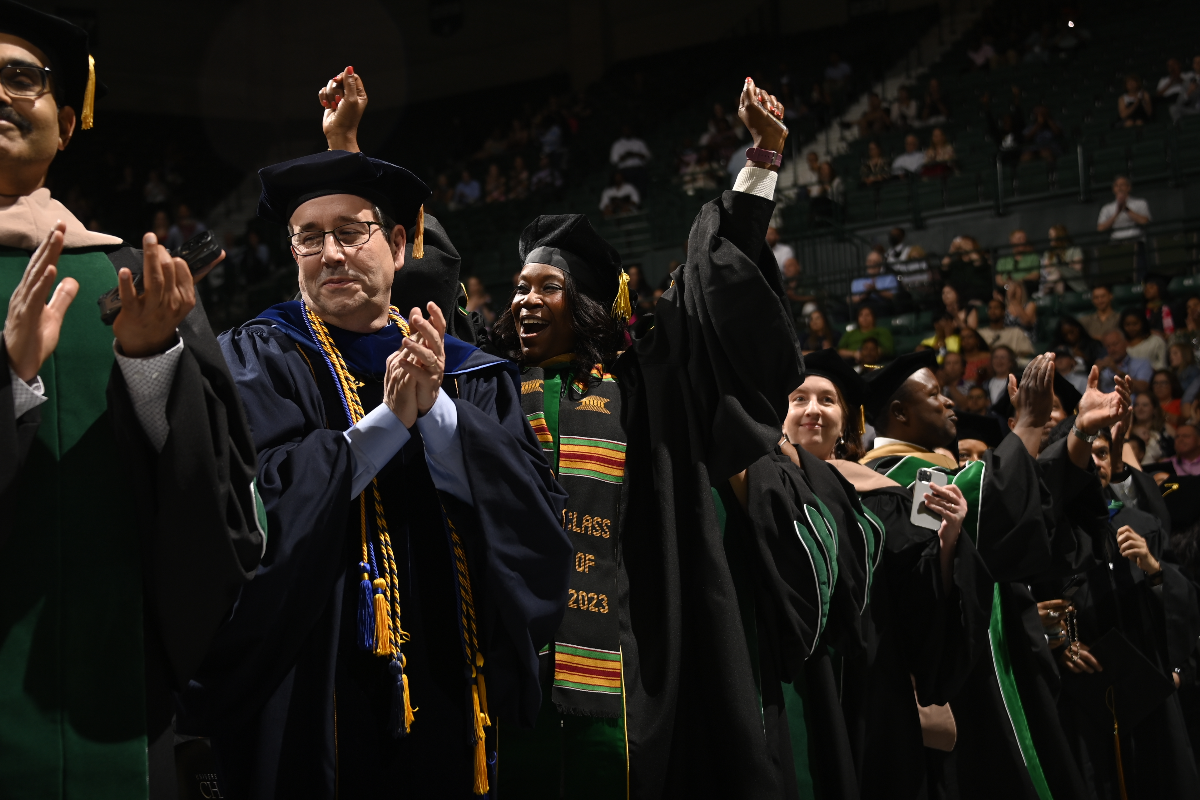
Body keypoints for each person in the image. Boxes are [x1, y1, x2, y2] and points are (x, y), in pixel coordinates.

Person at [176, 142, 573, 798]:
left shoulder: (471, 375)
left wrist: (441, 417)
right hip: (311, 687)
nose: (330, 254)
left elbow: (535, 520)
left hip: (450, 680)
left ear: (395, 243)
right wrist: (384, 426)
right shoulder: (254, 361)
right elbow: (241, 517)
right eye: (309, 238)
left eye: (349, 233)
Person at [501, 77, 826, 797]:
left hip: (621, 668)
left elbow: (713, 294)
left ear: (583, 303)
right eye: (518, 287)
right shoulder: (485, 384)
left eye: (544, 287)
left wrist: (761, 162)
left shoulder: (641, 386)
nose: (523, 299)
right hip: (500, 676)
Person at [0, 4, 264, 797]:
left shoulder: (131, 278)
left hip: (117, 687)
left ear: (68, 117)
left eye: (22, 78)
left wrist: (152, 363)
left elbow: (216, 495)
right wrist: (11, 383)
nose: (0, 96)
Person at [858, 351, 1127, 800]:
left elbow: (1027, 505)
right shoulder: (887, 483)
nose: (950, 404)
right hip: (961, 687)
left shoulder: (932, 471)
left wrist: (1078, 432)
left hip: (1003, 665)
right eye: (935, 394)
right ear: (900, 414)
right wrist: (1025, 427)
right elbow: (989, 511)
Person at [979, 297, 1035, 364]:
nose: (992, 311)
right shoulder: (980, 333)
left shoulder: (1016, 332)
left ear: (1003, 312)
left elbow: (1027, 352)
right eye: (990, 308)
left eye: (996, 308)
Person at [939, 235, 992, 303]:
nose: (963, 246)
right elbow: (944, 267)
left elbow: (979, 264)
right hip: (960, 296)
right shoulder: (956, 264)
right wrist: (952, 250)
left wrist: (969, 249)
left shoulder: (981, 260)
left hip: (978, 295)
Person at [1099, 328, 1153, 393]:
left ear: (1126, 343)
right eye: (1108, 346)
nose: (1112, 349)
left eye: (1115, 344)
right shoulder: (1102, 369)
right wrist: (1096, 375)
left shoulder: (1142, 363)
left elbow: (1143, 388)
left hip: (1133, 402)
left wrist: (1116, 370)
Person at [1097, 176, 1151, 240]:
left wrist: (1126, 209)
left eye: (1122, 185)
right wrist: (1117, 213)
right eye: (1116, 186)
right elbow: (1100, 228)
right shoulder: (1107, 208)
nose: (1119, 188)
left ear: (1129, 187)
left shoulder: (1140, 203)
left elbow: (1145, 221)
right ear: (1113, 189)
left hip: (1136, 237)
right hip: (1116, 241)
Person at [1040, 224, 1086, 294]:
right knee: (1059, 279)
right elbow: (1047, 269)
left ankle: (1043, 291)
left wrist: (1058, 269)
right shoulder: (1048, 253)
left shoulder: (1074, 250)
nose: (1049, 238)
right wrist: (1069, 264)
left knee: (1058, 273)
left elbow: (1077, 267)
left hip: (1073, 282)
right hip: (1055, 281)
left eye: (1051, 235)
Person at [1131, 390, 1173, 464]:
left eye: (1145, 405)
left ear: (1154, 409)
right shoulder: (1128, 429)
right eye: (1137, 405)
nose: (1140, 408)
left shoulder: (1166, 428)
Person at [609, 124, 651, 194]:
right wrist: (625, 156)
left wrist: (635, 154)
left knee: (642, 187)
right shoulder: (617, 144)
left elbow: (648, 156)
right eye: (625, 130)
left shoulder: (639, 142)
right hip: (625, 170)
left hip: (639, 168)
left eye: (628, 130)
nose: (627, 132)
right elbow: (613, 160)